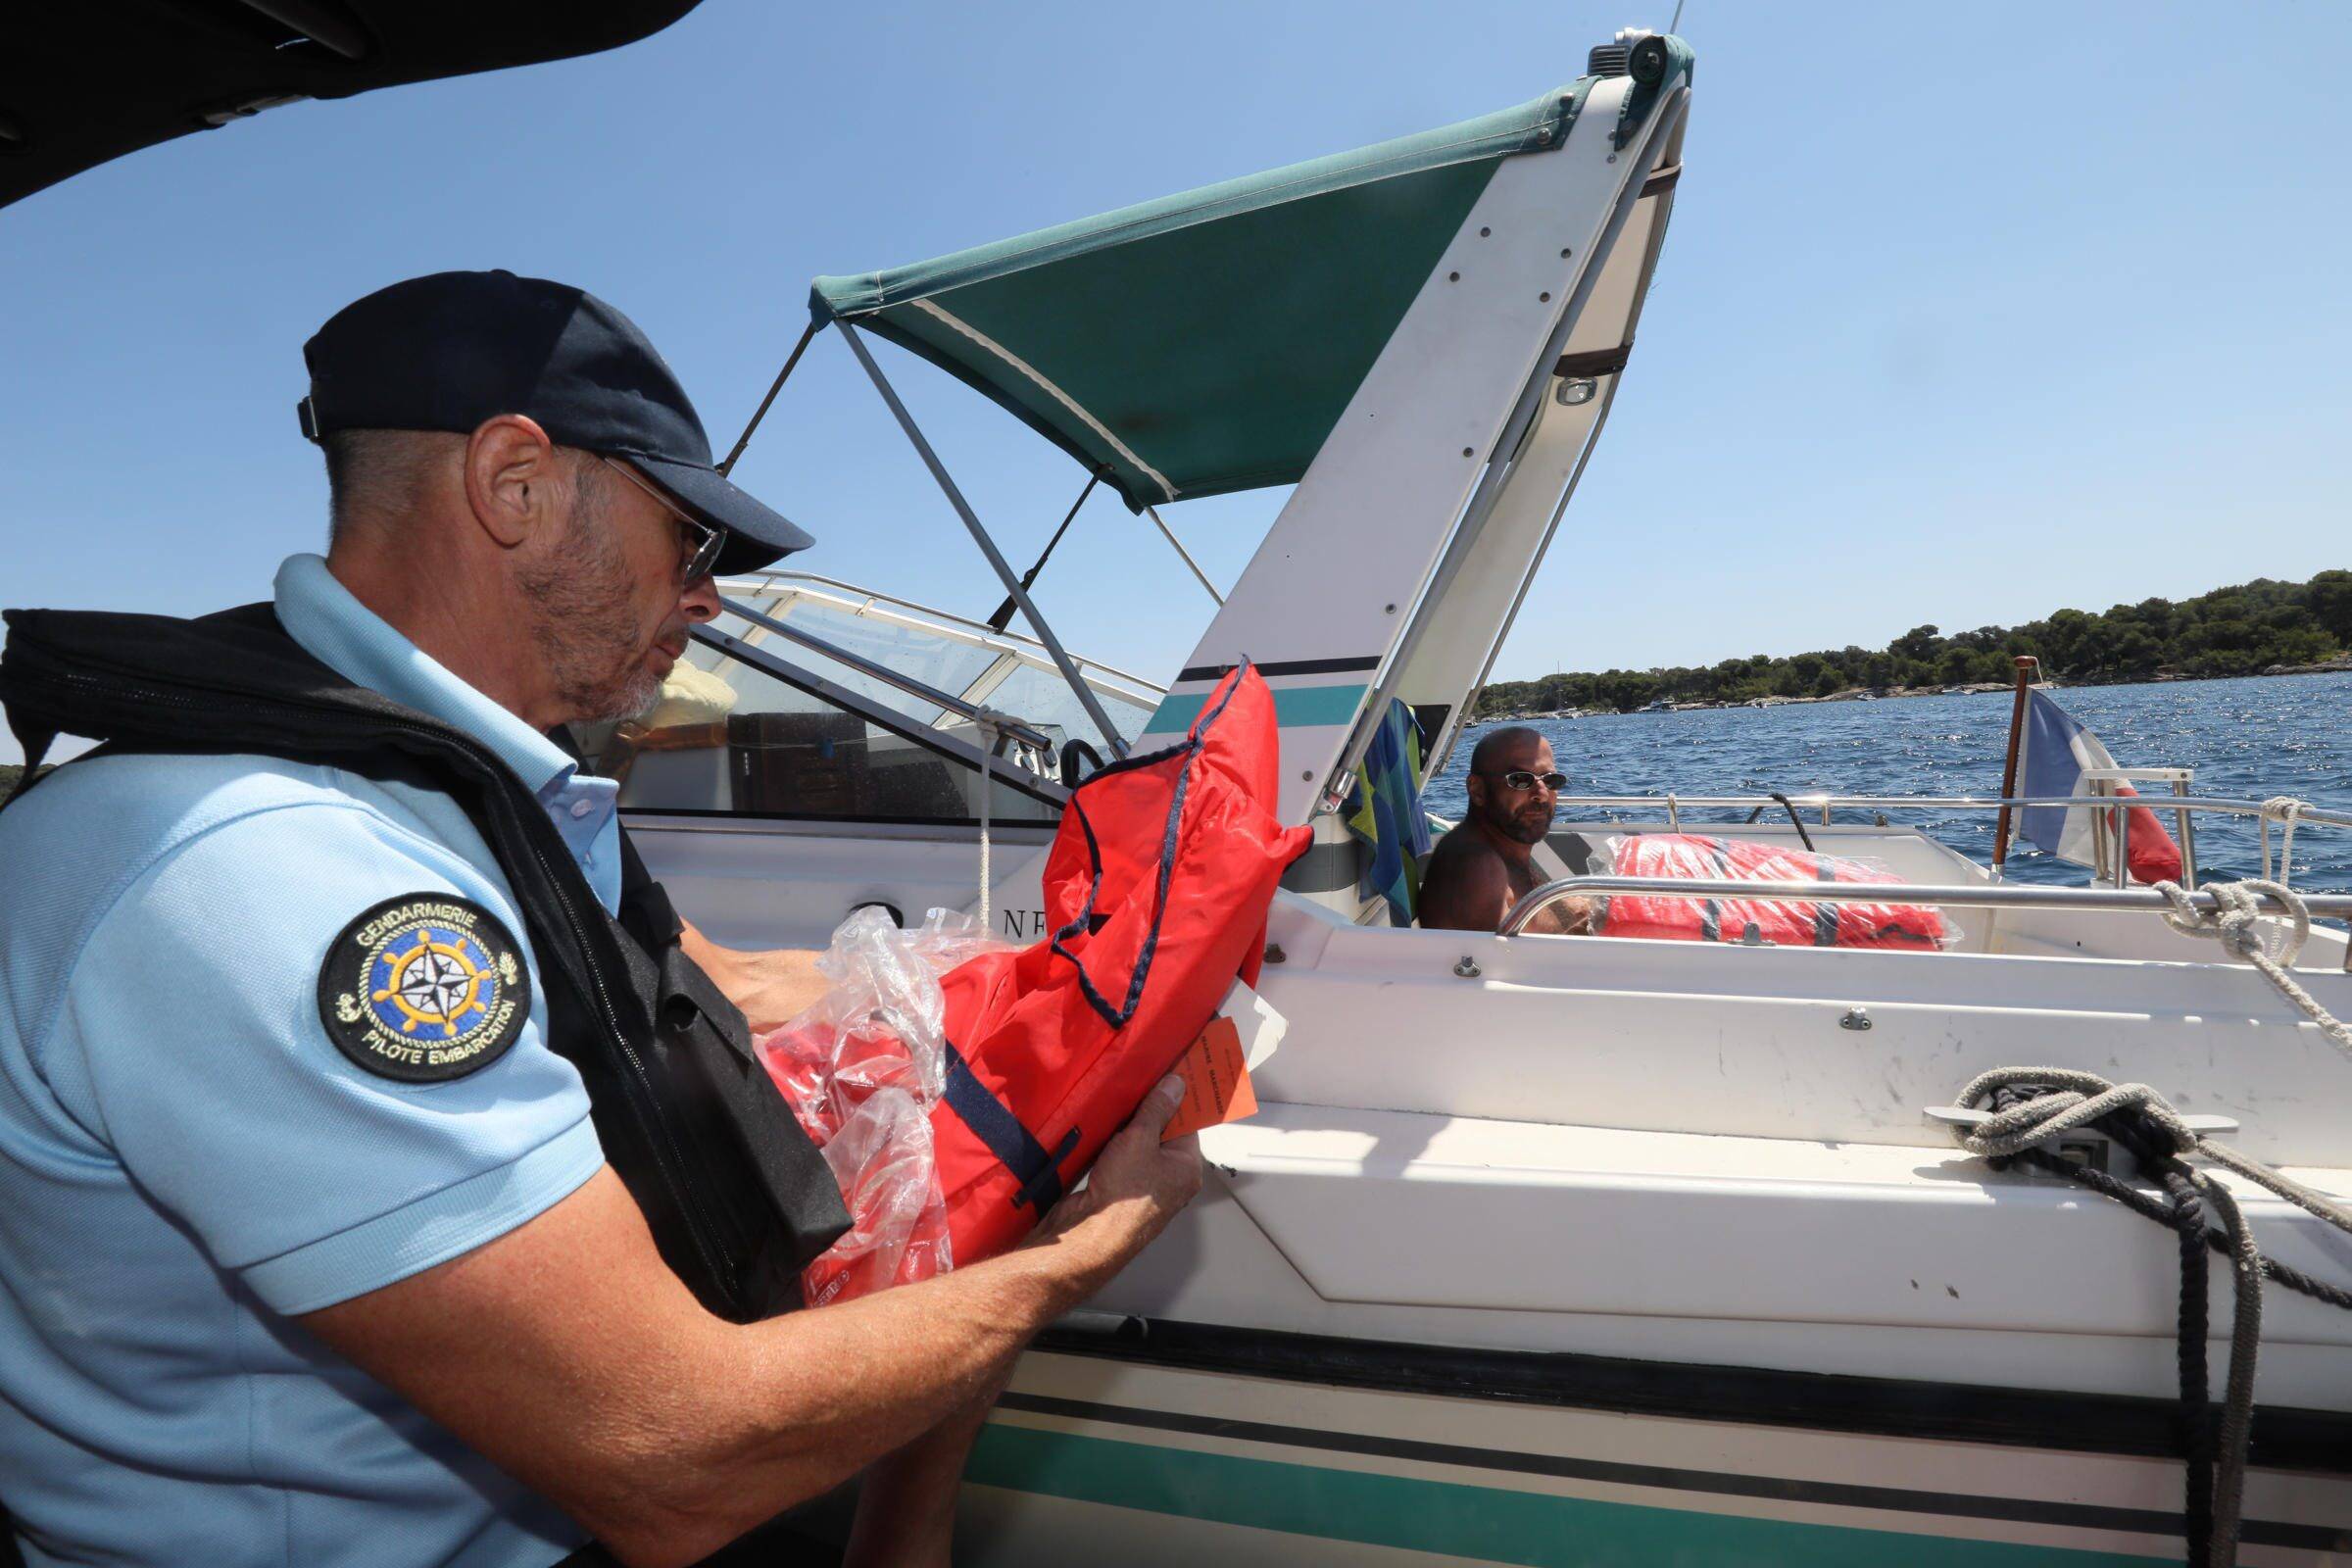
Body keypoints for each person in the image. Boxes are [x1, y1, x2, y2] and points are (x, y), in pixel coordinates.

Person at [0, 270, 1200, 1568]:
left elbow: (696, 983)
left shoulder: (464, 791)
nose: (709, 599)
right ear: (514, 484)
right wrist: (1083, 1252)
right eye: (692, 544)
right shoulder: (274, 873)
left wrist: (1048, 990)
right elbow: (670, 1456)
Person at [1418, 725, 1594, 935]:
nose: (1541, 793)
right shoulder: (1478, 868)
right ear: (1477, 790)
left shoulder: (1503, 850)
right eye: (1520, 780)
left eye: (1550, 780)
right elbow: (1499, 963)